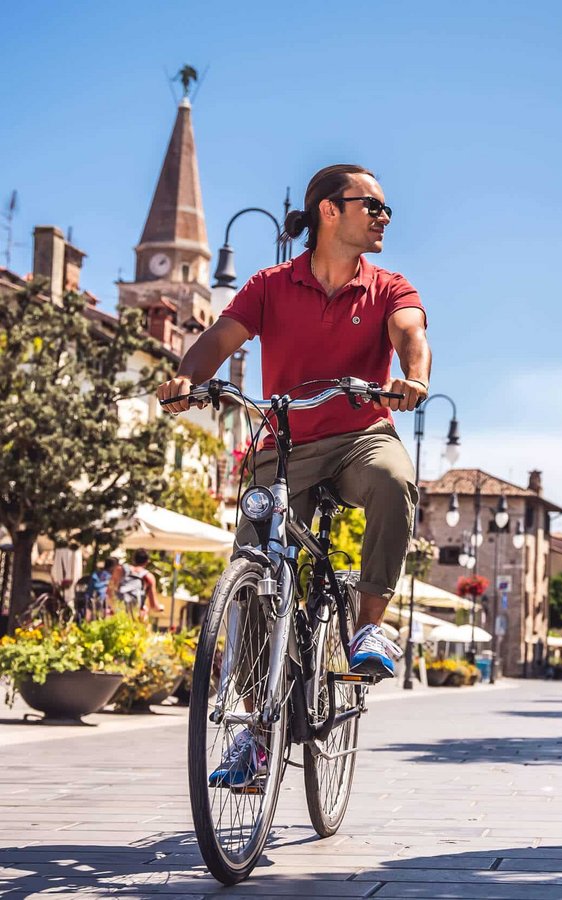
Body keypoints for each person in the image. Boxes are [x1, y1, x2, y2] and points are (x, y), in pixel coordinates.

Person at [157, 164, 430, 683]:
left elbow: (410, 333)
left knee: (394, 481)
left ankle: (368, 628)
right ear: (330, 210)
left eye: (387, 209)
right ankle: (250, 716)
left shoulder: (389, 288)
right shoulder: (270, 286)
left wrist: (414, 378)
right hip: (285, 445)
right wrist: (187, 378)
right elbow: (220, 338)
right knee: (254, 562)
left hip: (362, 438)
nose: (384, 218)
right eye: (373, 206)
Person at [108, 549, 163, 620]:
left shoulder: (120, 569)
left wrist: (112, 606)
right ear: (147, 561)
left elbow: (110, 590)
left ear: (133, 559)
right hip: (135, 613)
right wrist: (160, 608)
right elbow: (153, 604)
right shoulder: (148, 576)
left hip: (119, 609)